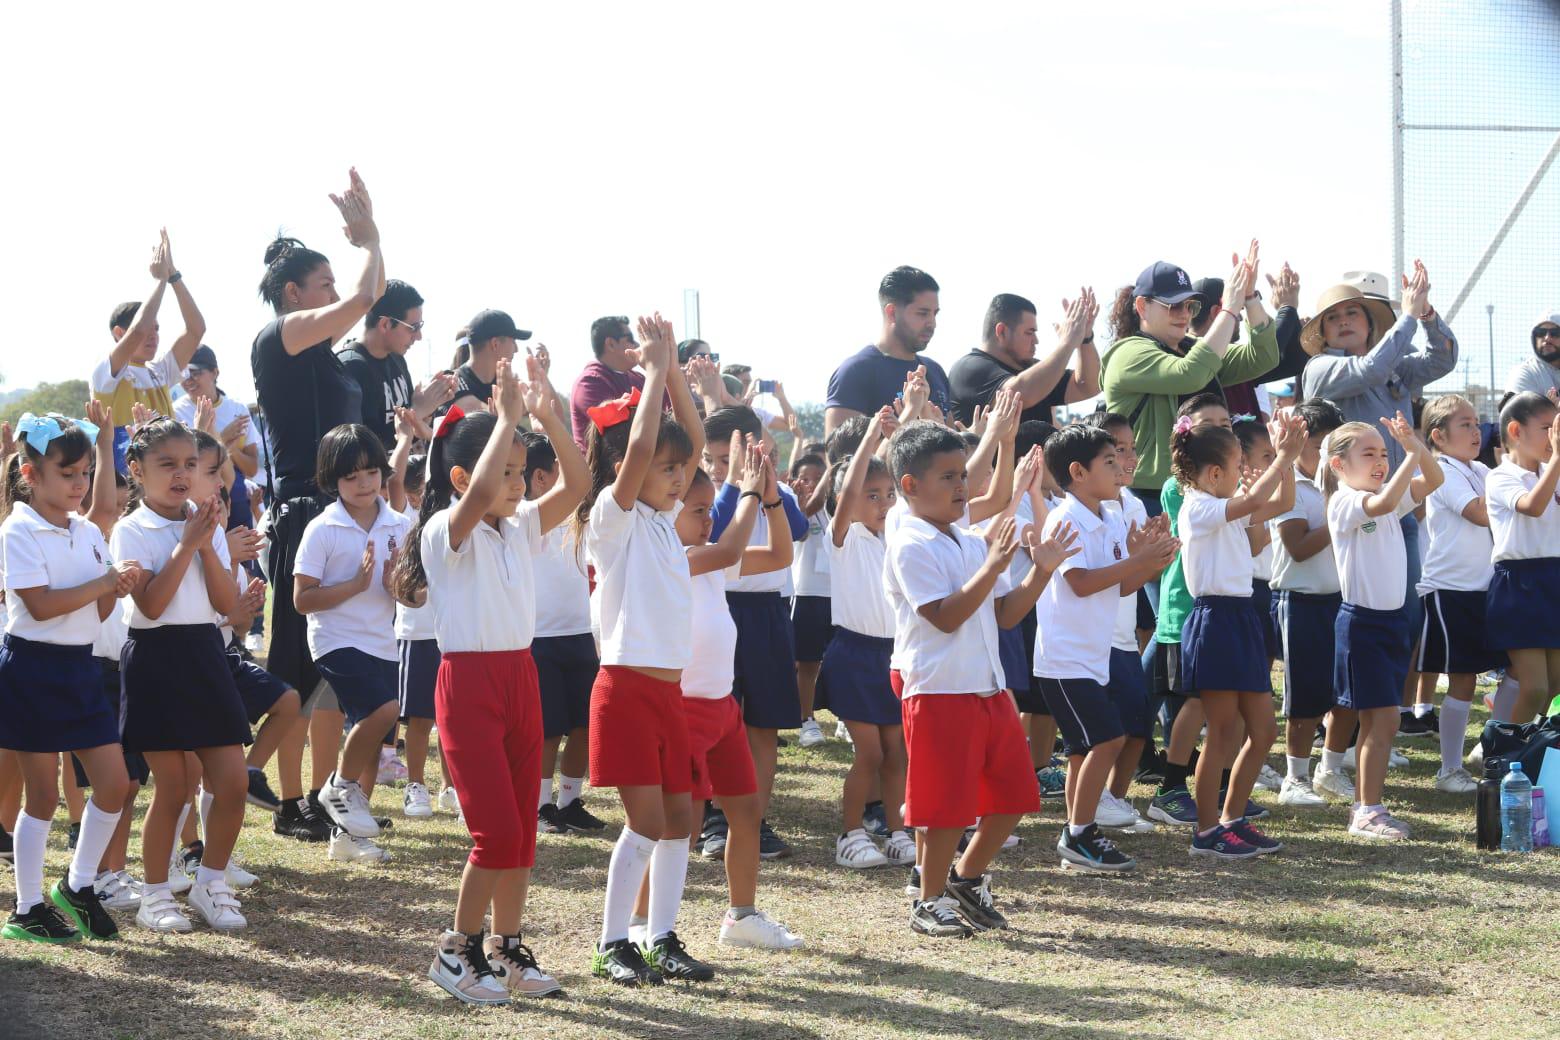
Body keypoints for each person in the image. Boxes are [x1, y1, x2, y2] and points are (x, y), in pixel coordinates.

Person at [397, 355, 583, 1004]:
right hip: (470, 685)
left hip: (520, 677)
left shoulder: (521, 524)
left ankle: (507, 949)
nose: (516, 483)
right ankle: (455, 952)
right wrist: (504, 419)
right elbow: (478, 498)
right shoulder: (444, 531)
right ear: (461, 476)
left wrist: (549, 417)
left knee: (522, 831)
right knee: (495, 834)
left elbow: (578, 483)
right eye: (504, 471)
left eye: (519, 472)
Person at [884, 421, 1065, 937]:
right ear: (910, 485)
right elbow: (943, 617)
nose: (962, 486)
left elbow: (1006, 614)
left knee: (1016, 793)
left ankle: (964, 879)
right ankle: (928, 900)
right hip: (938, 689)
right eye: (948, 477)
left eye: (962, 474)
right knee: (945, 808)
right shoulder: (910, 542)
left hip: (987, 685)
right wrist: (992, 564)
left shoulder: (968, 541)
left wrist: (1041, 571)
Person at [577, 314, 713, 986]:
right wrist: (654, 372)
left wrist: (674, 374)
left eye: (681, 469)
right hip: (626, 690)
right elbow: (637, 454)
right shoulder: (614, 519)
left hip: (667, 693)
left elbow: (695, 445)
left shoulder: (663, 522)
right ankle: (613, 943)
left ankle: (661, 938)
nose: (680, 478)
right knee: (647, 822)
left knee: (680, 819)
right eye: (668, 468)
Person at [251, 170, 384, 846]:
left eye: (334, 283)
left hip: (344, 512)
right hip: (305, 514)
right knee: (296, 670)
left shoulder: (328, 358)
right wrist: (370, 241)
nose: (334, 295)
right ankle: (284, 798)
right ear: (292, 294)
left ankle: (319, 794)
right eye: (322, 284)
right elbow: (365, 297)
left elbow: (364, 296)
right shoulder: (278, 339)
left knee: (337, 665)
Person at [647, 452, 802, 951]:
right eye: (699, 510)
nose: (709, 519)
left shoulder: (712, 557)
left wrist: (772, 500)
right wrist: (750, 492)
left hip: (723, 708)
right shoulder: (669, 558)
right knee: (681, 826)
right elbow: (734, 545)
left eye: (710, 509)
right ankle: (641, 922)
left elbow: (780, 555)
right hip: (684, 710)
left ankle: (741, 916)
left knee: (746, 811)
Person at [0, 412, 137, 943]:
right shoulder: (17, 529)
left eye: (85, 473)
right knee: (40, 798)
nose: (79, 484)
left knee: (115, 784)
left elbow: (97, 614)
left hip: (81, 668)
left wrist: (114, 589)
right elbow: (38, 606)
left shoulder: (88, 532)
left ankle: (77, 887)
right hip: (30, 671)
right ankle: (27, 907)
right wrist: (103, 583)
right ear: (31, 475)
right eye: (67, 473)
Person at [113, 418, 251, 933]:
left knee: (233, 781)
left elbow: (225, 602)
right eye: (167, 464)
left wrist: (207, 542)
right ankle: (153, 894)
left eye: (190, 464)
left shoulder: (203, 519)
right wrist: (188, 544)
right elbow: (150, 604)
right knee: (173, 788)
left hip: (204, 652)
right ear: (137, 470)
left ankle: (210, 882)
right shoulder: (130, 529)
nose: (181, 474)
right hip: (155, 656)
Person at [1299, 262, 1458, 673]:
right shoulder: (1320, 367)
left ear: (1371, 323)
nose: (1343, 321)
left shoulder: (1394, 363)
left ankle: (1392, 701)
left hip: (1397, 504)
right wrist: (1408, 316)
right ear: (1323, 333)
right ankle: (1351, 702)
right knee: (1358, 614)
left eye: (1352, 313)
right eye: (1332, 317)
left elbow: (1442, 359)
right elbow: (1369, 370)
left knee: (1406, 614)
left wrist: (1426, 315)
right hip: (1352, 511)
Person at [1034, 424, 1170, 872]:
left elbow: (1123, 586)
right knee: (1108, 739)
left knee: (1082, 750)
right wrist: (1137, 559)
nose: (1120, 468)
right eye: (1109, 461)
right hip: (1064, 659)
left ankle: (1079, 832)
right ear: (1077, 472)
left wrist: (1151, 560)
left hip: (1092, 657)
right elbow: (1079, 582)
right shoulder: (1064, 518)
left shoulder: (1111, 517)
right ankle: (1079, 834)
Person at [1173, 412, 1303, 859]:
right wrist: (1282, 456)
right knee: (1222, 732)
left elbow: (1282, 501)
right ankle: (1206, 831)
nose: (1242, 474)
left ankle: (1232, 819)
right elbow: (1255, 500)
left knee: (1263, 730)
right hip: (1215, 622)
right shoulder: (1199, 507)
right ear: (1214, 473)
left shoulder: (1223, 505)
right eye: (1237, 467)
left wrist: (1284, 461)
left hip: (1241, 617)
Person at [293, 424, 411, 865]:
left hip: (383, 641)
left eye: (371, 472)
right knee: (384, 711)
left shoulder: (401, 524)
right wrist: (356, 585)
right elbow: (302, 600)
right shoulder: (322, 528)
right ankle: (337, 788)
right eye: (351, 476)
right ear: (332, 480)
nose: (364, 483)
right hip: (335, 640)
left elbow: (416, 596)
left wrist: (396, 586)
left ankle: (349, 836)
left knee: (376, 734)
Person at [1321, 415, 1443, 840]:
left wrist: (1415, 446)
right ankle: (1367, 811)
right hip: (1363, 624)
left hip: (1391, 623)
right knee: (1384, 719)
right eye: (1368, 454)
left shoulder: (1385, 495)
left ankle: (1365, 806)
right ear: (1339, 465)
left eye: (1382, 454)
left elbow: (1435, 479)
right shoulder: (1346, 501)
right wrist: (1409, 454)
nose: (1379, 462)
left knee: (1381, 721)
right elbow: (1386, 503)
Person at [1100, 244, 1280, 508]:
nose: (1184, 314)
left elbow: (1263, 357)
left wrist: (1250, 298)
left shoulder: (1191, 348)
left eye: (1189, 305)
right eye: (1173, 305)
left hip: (1205, 490)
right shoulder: (1128, 353)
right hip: (1148, 497)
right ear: (1142, 306)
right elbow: (1190, 374)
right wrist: (1230, 309)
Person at [702, 406, 805, 859]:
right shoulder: (709, 494)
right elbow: (716, 533)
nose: (718, 468)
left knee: (762, 724)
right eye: (712, 459)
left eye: (729, 459)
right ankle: (713, 817)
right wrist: (733, 483)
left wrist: (768, 489)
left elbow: (797, 530)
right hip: (717, 609)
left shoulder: (776, 492)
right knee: (714, 718)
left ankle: (754, 820)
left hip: (767, 613)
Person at [820, 406, 916, 870]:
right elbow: (854, 482)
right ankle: (851, 833)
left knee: (897, 752)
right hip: (853, 655)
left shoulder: (893, 538)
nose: (883, 503)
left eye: (888, 494)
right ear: (848, 499)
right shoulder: (844, 537)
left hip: (891, 656)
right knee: (870, 752)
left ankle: (897, 832)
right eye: (871, 495)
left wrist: (906, 420)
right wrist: (871, 438)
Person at [1268, 399, 1356, 808]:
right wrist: (1340, 518)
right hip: (1299, 601)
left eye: (1334, 447)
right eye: (1319, 445)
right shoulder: (1289, 484)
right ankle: (1296, 777)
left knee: (1348, 692)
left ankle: (1331, 769)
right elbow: (1298, 547)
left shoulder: (1348, 486)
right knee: (1304, 697)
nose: (1326, 456)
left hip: (1346, 600)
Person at [1414, 395, 1501, 793]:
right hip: (1451, 591)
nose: (1476, 431)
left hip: (1488, 588)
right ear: (1438, 436)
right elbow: (1480, 513)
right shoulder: (1441, 470)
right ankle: (1449, 770)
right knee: (1462, 680)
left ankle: (1488, 747)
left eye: (1477, 423)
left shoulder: (1481, 469)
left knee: (1520, 672)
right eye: (1465, 424)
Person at [521, 430, 604, 836]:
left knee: (584, 725)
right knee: (548, 730)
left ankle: (570, 802)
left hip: (580, 635)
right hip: (538, 639)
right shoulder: (521, 517)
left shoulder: (579, 514)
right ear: (540, 477)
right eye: (561, 467)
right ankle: (540, 805)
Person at [1082, 410, 1160, 830]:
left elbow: (1134, 578)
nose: (1129, 459)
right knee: (1103, 733)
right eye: (1117, 451)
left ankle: (1114, 800)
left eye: (1132, 449)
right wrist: (1139, 558)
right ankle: (1090, 808)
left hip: (1125, 635)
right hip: (1096, 638)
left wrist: (1160, 556)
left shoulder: (1133, 503)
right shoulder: (1087, 508)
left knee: (1138, 726)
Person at [93, 230, 207, 472]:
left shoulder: (159, 370)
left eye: (157, 328)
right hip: (126, 478)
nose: (153, 335)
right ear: (119, 333)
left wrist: (173, 275)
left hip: (166, 472)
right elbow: (138, 331)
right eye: (147, 328)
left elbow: (196, 329)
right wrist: (160, 281)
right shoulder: (106, 371)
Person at [1485, 392, 1560, 726]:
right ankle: (1505, 751)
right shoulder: (1501, 476)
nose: (1554, 437)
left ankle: (1534, 748)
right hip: (1519, 585)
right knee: (1534, 687)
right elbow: (1532, 506)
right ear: (1516, 431)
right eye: (1547, 428)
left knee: (1555, 687)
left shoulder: (1551, 470)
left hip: (1553, 578)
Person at [825, 267, 951, 435]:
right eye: (922, 314)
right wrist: (909, 414)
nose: (932, 323)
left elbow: (953, 448)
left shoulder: (935, 371)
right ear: (892, 312)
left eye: (935, 314)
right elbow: (841, 452)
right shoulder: (855, 373)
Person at [948, 291, 1101, 427]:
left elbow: (1089, 386)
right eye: (1029, 332)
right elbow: (1015, 396)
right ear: (1001, 331)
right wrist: (1067, 343)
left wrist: (1085, 338)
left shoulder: (1031, 371)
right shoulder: (969, 368)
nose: (1036, 340)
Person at [337, 280, 457, 447]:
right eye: (413, 327)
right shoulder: (351, 367)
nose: (419, 336)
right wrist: (417, 411)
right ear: (385, 324)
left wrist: (430, 405)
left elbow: (408, 437)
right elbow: (360, 447)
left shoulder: (397, 359)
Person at [175, 346, 262, 532]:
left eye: (195, 373)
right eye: (183, 374)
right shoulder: (176, 413)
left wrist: (231, 449)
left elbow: (252, 469)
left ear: (215, 372)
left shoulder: (238, 409)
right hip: (197, 502)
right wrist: (223, 439)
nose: (188, 380)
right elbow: (184, 464)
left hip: (236, 500)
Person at [786, 448, 831, 749]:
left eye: (818, 477)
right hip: (807, 594)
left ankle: (846, 718)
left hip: (839, 595)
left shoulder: (836, 505)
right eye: (805, 478)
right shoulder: (794, 507)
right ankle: (806, 720)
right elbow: (799, 533)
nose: (812, 483)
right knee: (808, 663)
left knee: (838, 661)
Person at [569, 316, 647, 450]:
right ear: (610, 344)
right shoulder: (589, 383)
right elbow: (619, 435)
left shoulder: (639, 378)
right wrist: (655, 371)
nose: (636, 345)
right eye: (630, 339)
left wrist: (662, 371)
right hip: (607, 464)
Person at [448, 310, 530, 415]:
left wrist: (540, 379)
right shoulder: (453, 382)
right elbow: (479, 414)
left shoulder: (503, 383)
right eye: (513, 341)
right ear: (495, 344)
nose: (516, 349)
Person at [1503, 311, 1560, 398]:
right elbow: (1522, 406)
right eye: (1541, 333)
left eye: (1555, 333)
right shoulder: (1525, 374)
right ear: (1534, 338)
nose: (1547, 338)